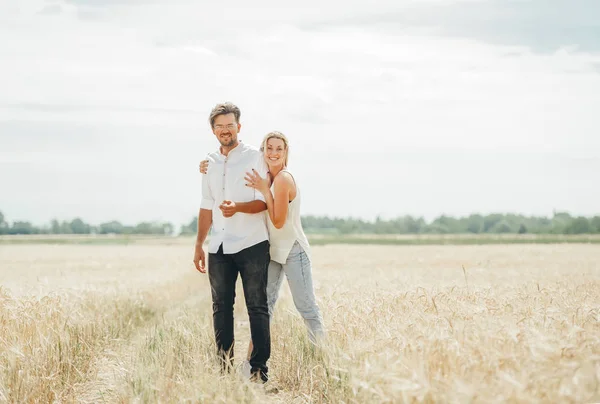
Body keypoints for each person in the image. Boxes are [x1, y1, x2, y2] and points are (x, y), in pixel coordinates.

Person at [200, 131, 325, 361]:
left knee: (306, 307)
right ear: (263, 151)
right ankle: (251, 366)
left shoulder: (283, 179)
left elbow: (277, 221)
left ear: (286, 152)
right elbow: (233, 158)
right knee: (263, 309)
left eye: (279, 149)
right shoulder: (265, 175)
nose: (274, 153)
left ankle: (322, 359)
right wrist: (209, 164)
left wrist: (265, 190)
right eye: (269, 148)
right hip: (273, 251)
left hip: (292, 249)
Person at [193, 102, 271, 383]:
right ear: (213, 130)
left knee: (257, 306)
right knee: (221, 308)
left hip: (251, 243)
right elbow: (206, 205)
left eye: (229, 125)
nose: (225, 130)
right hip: (219, 247)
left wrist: (237, 207)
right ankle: (224, 371)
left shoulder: (254, 157)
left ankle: (259, 370)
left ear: (239, 126)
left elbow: (265, 201)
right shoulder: (209, 161)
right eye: (219, 126)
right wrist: (199, 244)